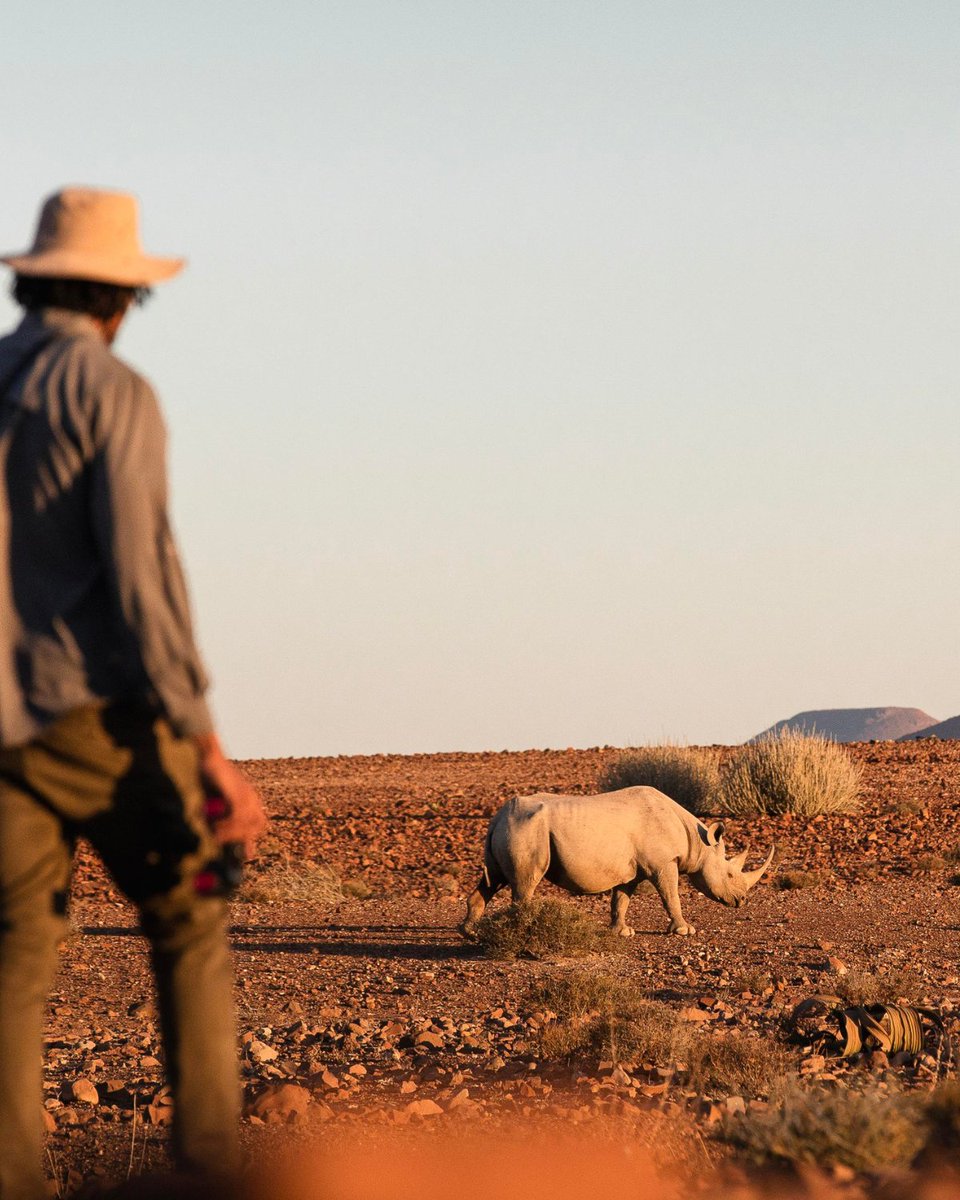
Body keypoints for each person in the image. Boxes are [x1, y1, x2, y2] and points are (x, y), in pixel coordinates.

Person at [0, 187, 267, 1199]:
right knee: (192, 915)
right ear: (118, 300)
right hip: (92, 715)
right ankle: (206, 1173)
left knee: (17, 955)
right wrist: (205, 748)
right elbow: (144, 581)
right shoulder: (114, 393)